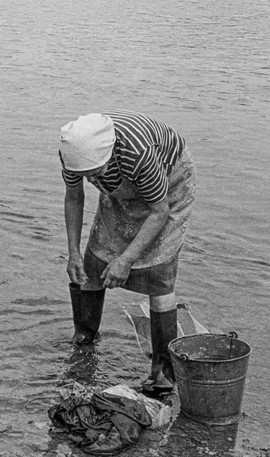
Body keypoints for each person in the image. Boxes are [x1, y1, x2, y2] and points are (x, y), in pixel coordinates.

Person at [60, 111, 196, 398]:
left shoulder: (138, 153)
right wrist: (72, 252)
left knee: (159, 273)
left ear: (109, 154)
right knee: (93, 262)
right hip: (123, 186)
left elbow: (160, 212)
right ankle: (85, 337)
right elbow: (74, 197)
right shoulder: (73, 154)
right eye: (87, 177)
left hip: (168, 185)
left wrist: (125, 260)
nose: (92, 180)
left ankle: (162, 373)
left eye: (96, 173)